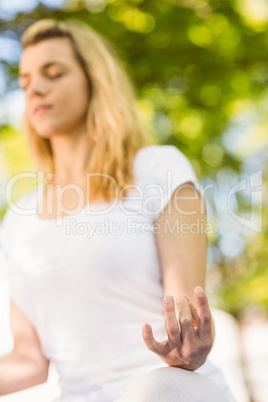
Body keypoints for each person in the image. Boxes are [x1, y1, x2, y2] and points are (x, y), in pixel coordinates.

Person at [0, 18, 235, 402]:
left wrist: (189, 348)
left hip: (168, 391)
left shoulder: (158, 169)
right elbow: (28, 359)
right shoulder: (17, 221)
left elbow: (185, 322)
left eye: (53, 72)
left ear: (95, 80)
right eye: (24, 82)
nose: (35, 88)